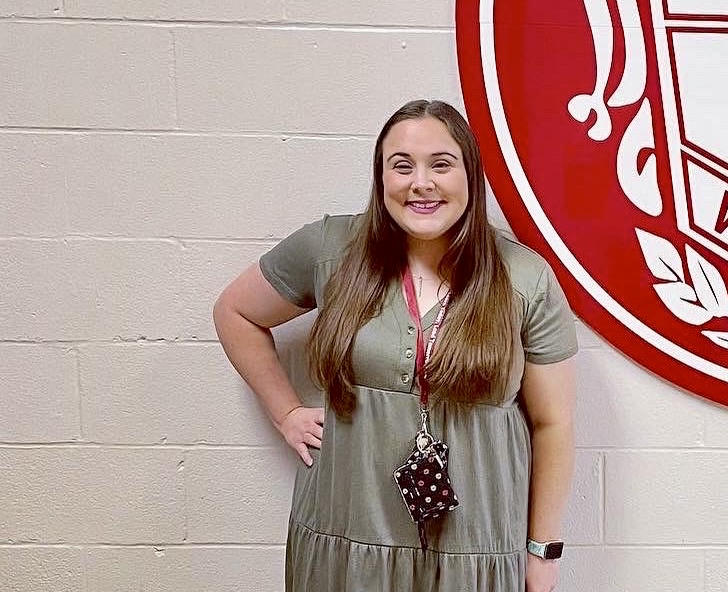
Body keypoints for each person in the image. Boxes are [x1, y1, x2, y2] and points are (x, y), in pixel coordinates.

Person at [214, 99, 578, 592]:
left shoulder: (525, 279)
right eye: (401, 166)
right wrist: (286, 413)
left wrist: (543, 551)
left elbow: (553, 423)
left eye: (441, 165)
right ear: (380, 177)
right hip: (346, 539)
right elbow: (235, 312)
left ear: (470, 175)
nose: (420, 183)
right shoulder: (329, 250)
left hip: (476, 548)